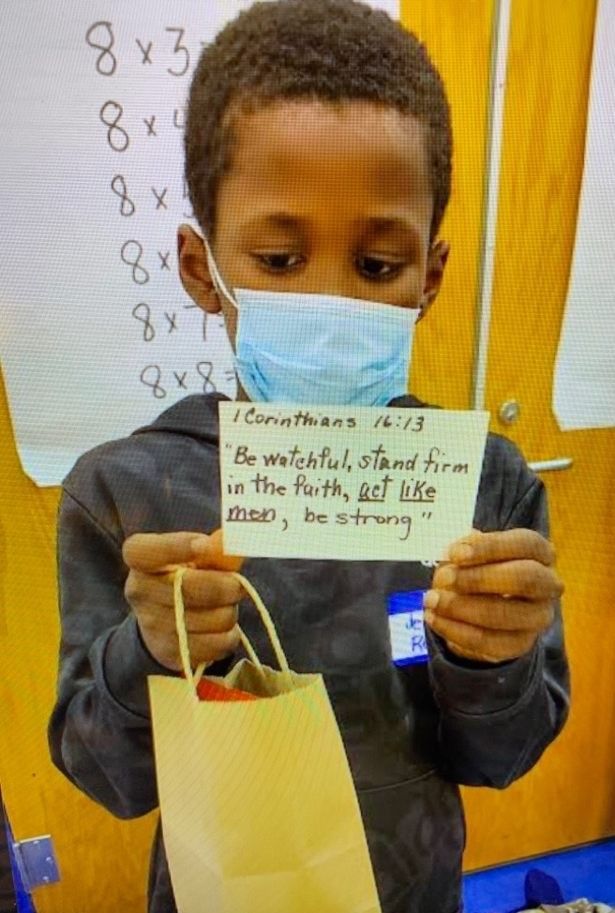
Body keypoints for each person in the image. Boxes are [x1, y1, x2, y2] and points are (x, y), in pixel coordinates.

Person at [48, 1, 569, 911]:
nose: (329, 298)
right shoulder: (128, 496)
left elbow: (503, 757)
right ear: (201, 267)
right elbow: (110, 779)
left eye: (376, 268)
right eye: (280, 258)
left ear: (429, 276)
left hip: (415, 890)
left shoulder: (482, 486)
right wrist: (152, 655)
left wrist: (493, 660)